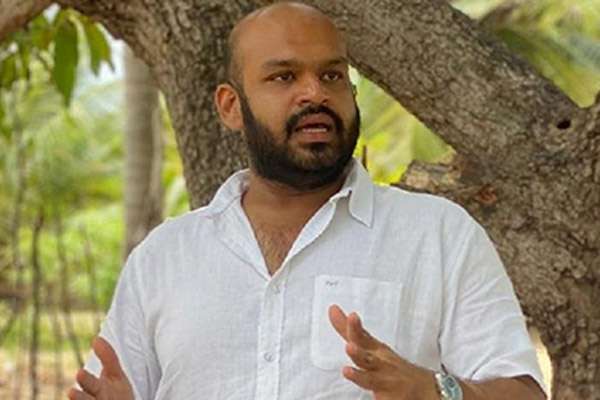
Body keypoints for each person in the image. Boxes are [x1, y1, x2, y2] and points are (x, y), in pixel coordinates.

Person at [68, 2, 547, 399]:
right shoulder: (164, 258)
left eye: (332, 75)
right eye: (284, 77)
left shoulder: (438, 235)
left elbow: (523, 393)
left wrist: (436, 391)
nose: (315, 94)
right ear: (231, 107)